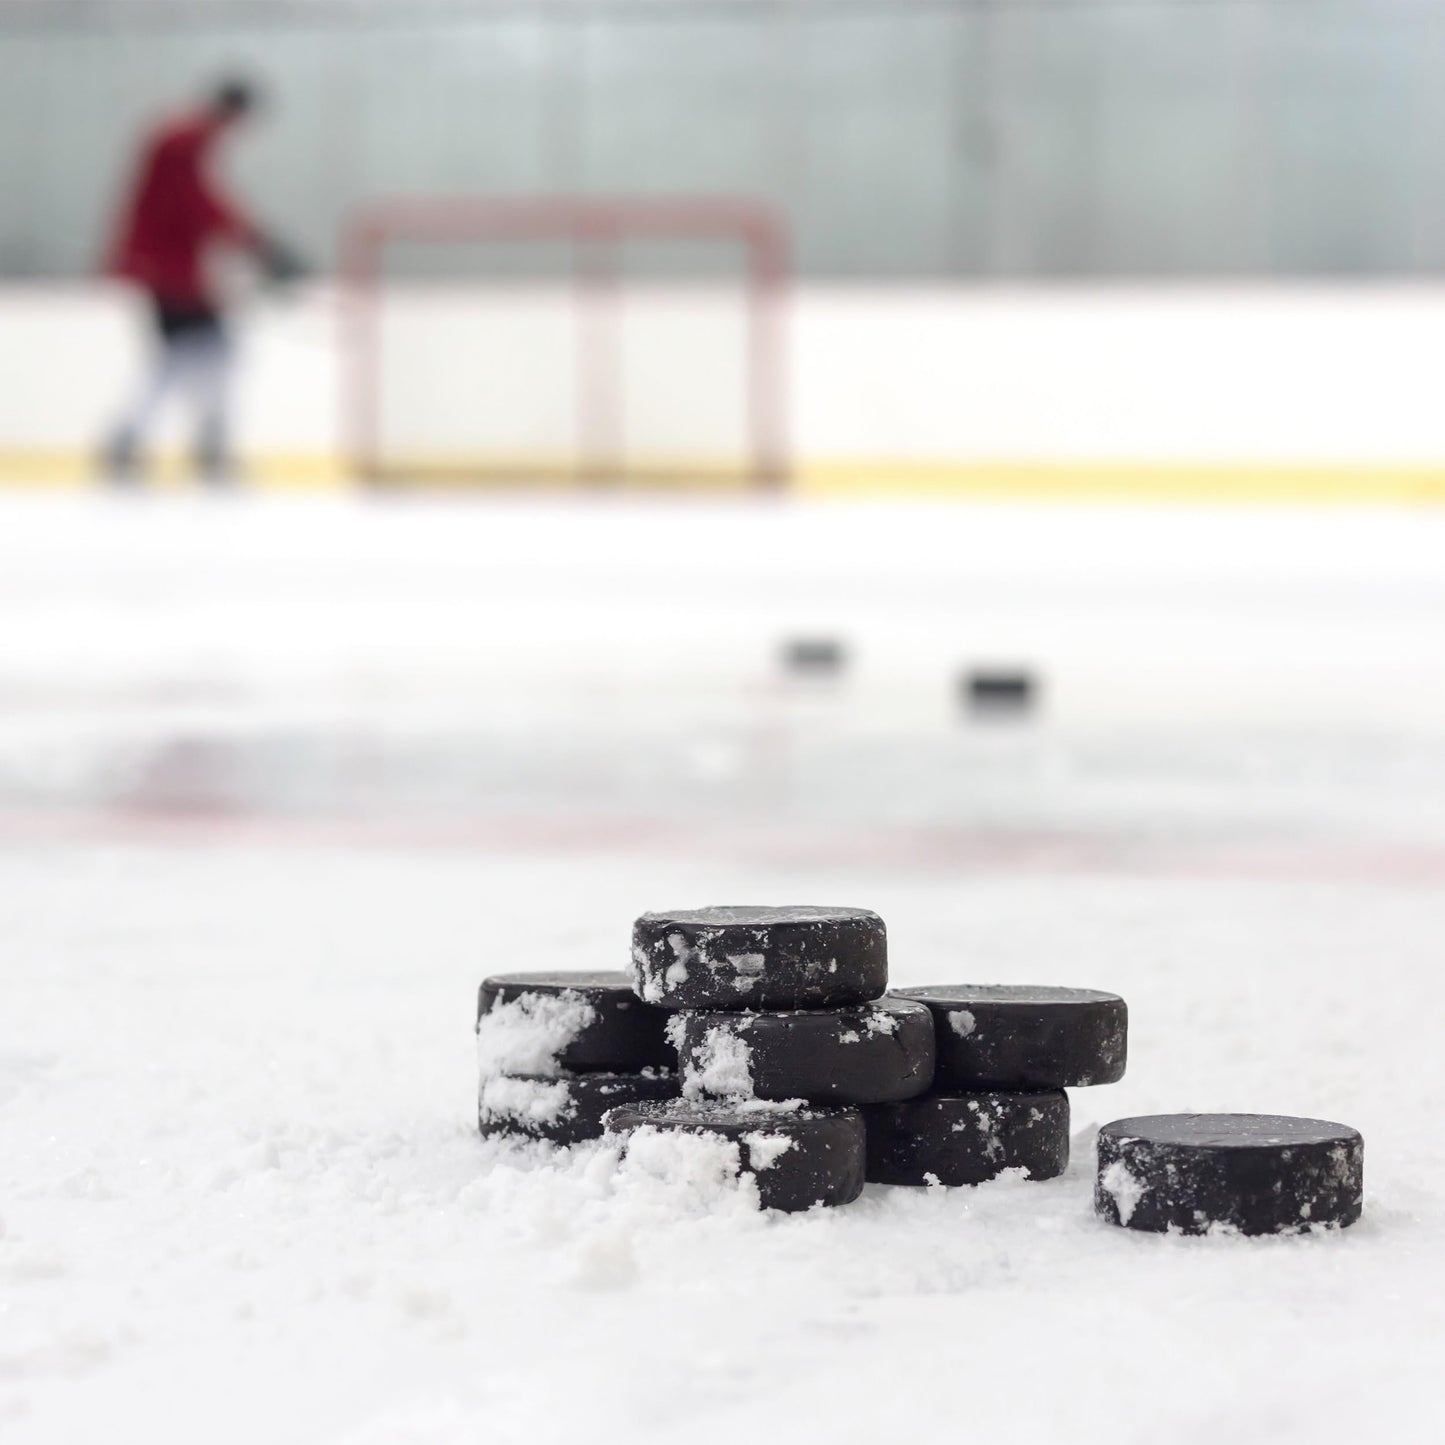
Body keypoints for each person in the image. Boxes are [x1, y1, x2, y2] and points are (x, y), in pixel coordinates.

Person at [102, 77, 303, 486]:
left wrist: (256, 246)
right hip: (166, 269)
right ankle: (157, 443)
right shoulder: (184, 140)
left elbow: (201, 205)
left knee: (203, 355)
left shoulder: (185, 136)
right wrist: (259, 245)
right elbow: (197, 204)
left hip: (171, 268)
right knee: (191, 357)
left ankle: (182, 443)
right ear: (234, 110)